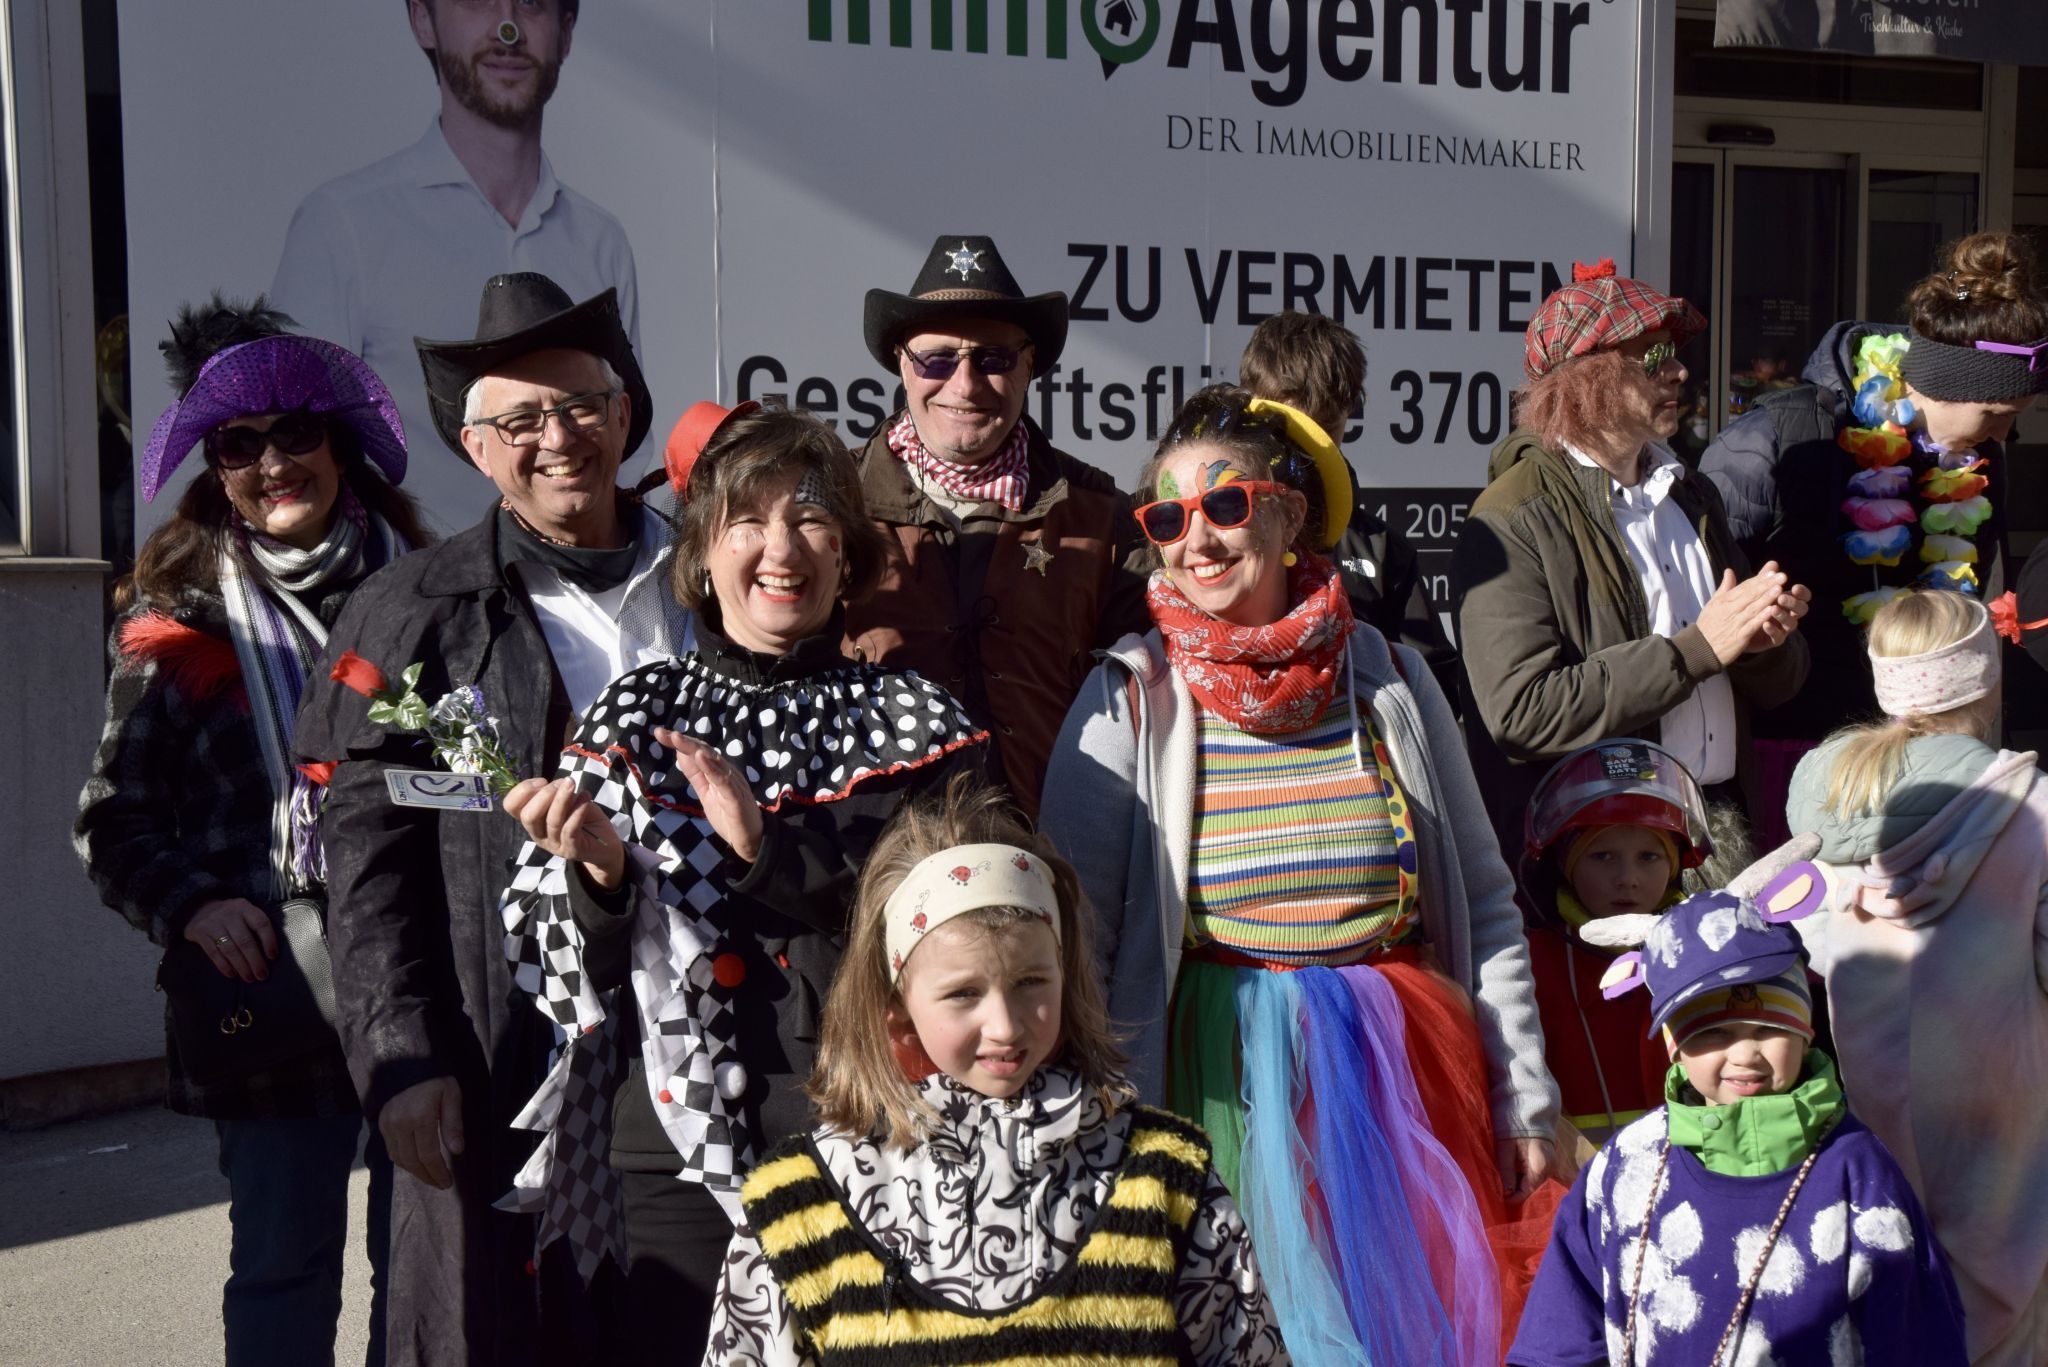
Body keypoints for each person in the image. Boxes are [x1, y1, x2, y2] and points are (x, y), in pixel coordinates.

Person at [1043, 385, 1561, 1366]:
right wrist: (1093, 1133)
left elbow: (1486, 903)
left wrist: (1521, 1096)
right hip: (1214, 1082)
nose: (1196, 536)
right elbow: (1075, 939)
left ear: (1287, 516)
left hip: (1397, 1079)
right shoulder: (1126, 694)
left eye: (1227, 504)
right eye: (1166, 517)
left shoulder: (1391, 676)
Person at [498, 404, 988, 1363]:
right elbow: (561, 962)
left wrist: (774, 854)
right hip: (669, 1142)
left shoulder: (919, 718)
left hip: (866, 1123)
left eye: (809, 518)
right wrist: (598, 876)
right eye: (747, 520)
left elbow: (973, 932)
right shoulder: (636, 713)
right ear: (702, 552)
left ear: (847, 555)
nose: (781, 548)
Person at [294, 272, 685, 1366]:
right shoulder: (414, 614)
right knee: (490, 1329)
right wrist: (400, 1056)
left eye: (579, 407)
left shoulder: (709, 579)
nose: (557, 437)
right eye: (521, 419)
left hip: (691, 1043)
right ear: (477, 449)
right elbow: (367, 863)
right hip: (494, 1045)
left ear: (622, 416)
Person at [75, 296, 429, 1366]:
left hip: (416, 971)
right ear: (215, 464)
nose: (274, 463)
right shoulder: (175, 612)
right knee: (283, 1262)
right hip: (271, 989)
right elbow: (111, 817)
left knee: (420, 1259)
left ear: (340, 442)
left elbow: (468, 774)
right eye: (241, 443)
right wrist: (194, 903)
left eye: (295, 433)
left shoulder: (421, 592)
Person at [701, 776, 1288, 1365]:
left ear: (1066, 976)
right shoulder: (800, 1205)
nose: (1005, 1026)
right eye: (963, 993)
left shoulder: (1162, 1176)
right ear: (898, 1009)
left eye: (1031, 982)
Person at [1509, 861, 1968, 1367]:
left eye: (1768, 1028)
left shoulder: (1856, 1175)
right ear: (1675, 1046)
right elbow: (1561, 1340)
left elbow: (1920, 1339)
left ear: (1805, 1031)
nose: (1745, 1054)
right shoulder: (1625, 1170)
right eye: (1712, 1033)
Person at [1454, 259, 1813, 862]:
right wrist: (1697, 649)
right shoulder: (1514, 515)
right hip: (1595, 857)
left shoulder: (1692, 494)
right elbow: (1519, 714)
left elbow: (1780, 684)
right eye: (1652, 357)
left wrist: (1761, 643)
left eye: (1672, 352)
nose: (1678, 370)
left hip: (1718, 832)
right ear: (1584, 381)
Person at [1703, 232, 2048, 842]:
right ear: (1948, 381)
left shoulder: (1980, 460)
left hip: (1922, 762)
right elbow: (1706, 594)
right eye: (1997, 412)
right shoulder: (1781, 438)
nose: (2003, 431)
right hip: (1789, 751)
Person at [1786, 589, 2048, 1364]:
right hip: (2003, 1115)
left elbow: (1805, 921)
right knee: (2005, 1315)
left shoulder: (1822, 788)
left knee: (1887, 1296)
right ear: (1988, 681)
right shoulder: (2030, 804)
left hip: (1869, 1096)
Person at [273, 0, 637, 530]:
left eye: (532, 5)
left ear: (566, 30)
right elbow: (298, 449)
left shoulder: (600, 238)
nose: (508, 27)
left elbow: (627, 444)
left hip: (571, 593)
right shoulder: (342, 224)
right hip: (407, 594)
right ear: (423, 18)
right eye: (478, 1)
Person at [842, 234, 1151, 818]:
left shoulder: (1101, 517)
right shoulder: (833, 505)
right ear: (901, 366)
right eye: (936, 359)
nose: (965, 385)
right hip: (880, 871)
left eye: (993, 358)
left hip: (1052, 865)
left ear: (1030, 364)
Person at [1238, 309, 1461, 700]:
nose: (1309, 448)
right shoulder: (1209, 529)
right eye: (1292, 427)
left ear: (1348, 415)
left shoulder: (1382, 549)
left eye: (1326, 428)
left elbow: (1434, 684)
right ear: (1255, 408)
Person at [1519, 740, 1712, 1148]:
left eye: (1649, 857)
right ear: (1566, 866)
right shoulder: (1534, 961)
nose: (1627, 878)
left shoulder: (1707, 948)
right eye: (1603, 857)